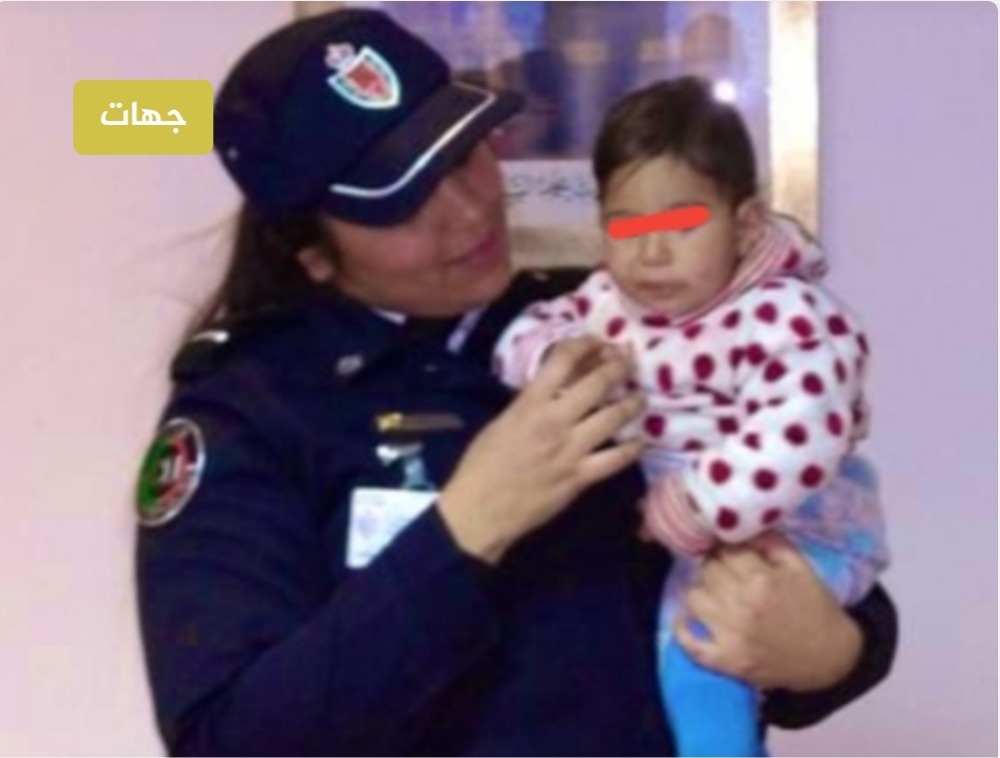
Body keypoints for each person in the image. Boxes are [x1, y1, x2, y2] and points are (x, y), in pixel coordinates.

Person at [134, 10, 897, 756]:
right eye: (406, 201)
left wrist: (834, 653)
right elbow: (226, 739)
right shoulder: (248, 413)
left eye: (464, 155)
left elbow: (796, 550)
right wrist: (468, 525)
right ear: (311, 252)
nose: (470, 209)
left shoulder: (600, 320)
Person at [492, 77, 890, 756]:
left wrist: (691, 507)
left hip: (794, 523)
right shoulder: (607, 299)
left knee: (701, 656)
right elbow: (528, 332)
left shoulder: (789, 315)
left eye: (682, 224)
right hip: (683, 526)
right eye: (626, 226)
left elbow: (795, 438)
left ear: (744, 224)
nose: (651, 253)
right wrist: (554, 355)